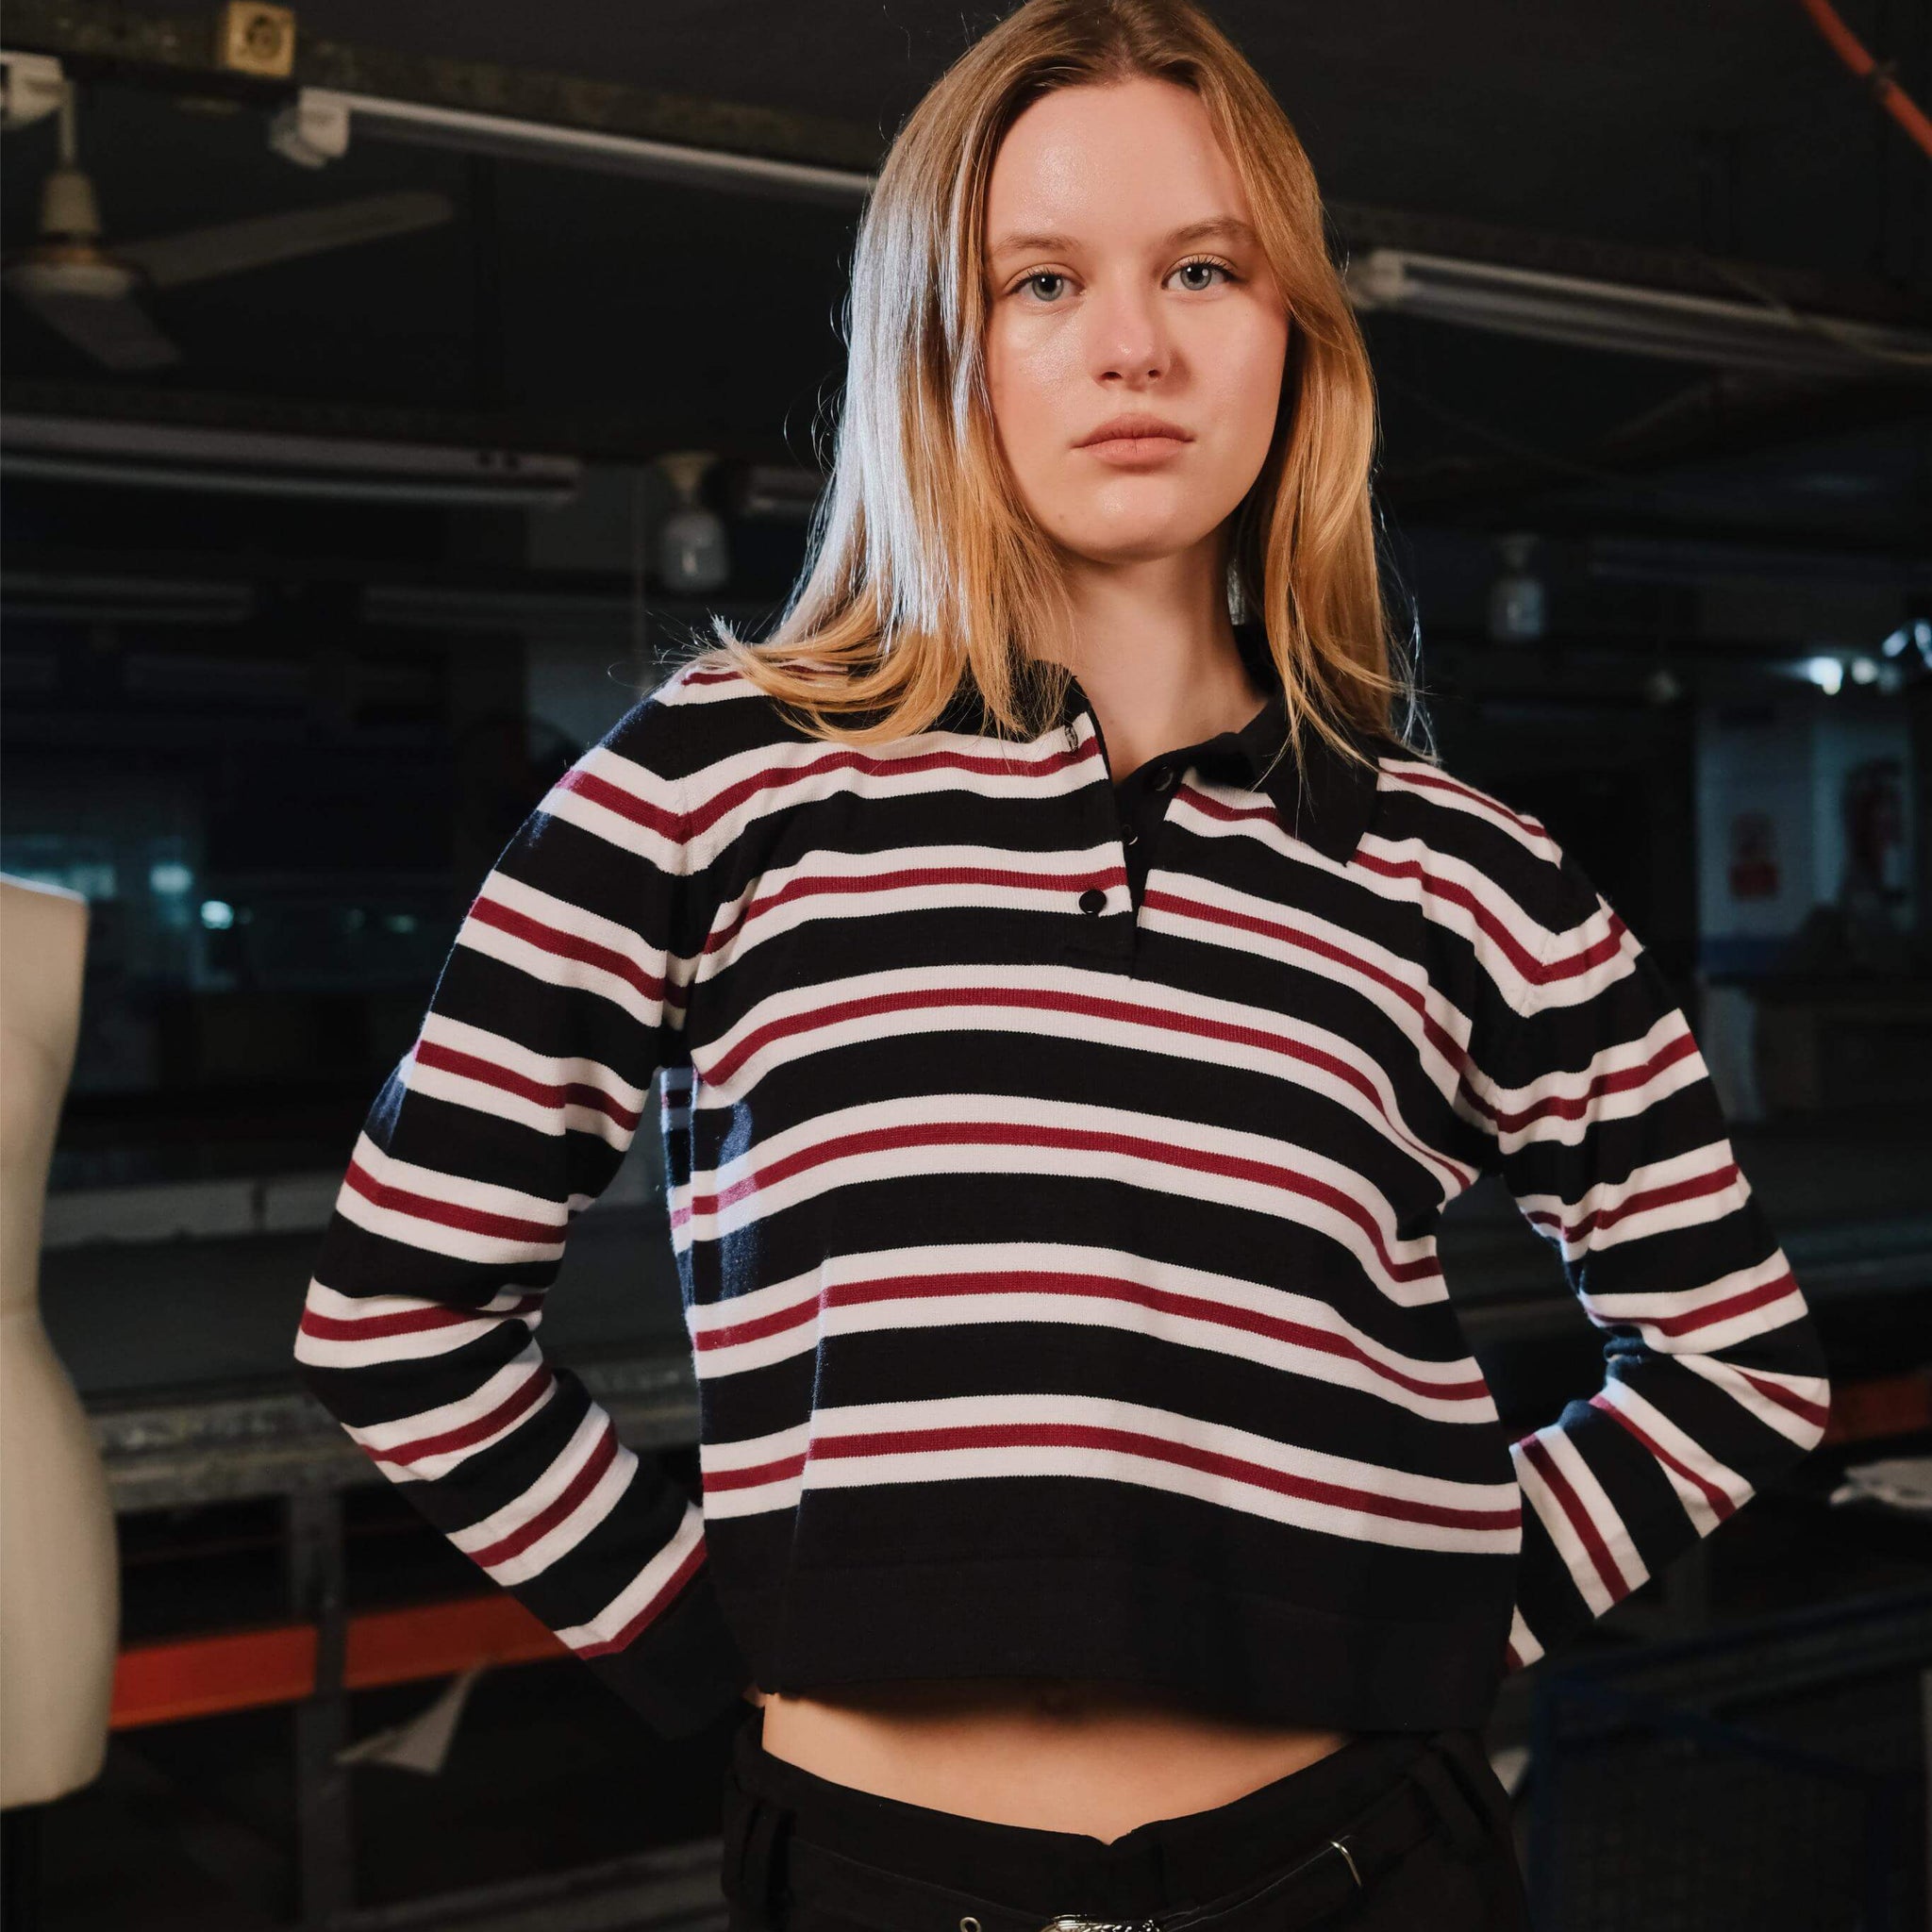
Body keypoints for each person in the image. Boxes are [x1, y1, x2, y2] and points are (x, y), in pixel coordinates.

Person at [294, 3, 1833, 1926]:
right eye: (1043, 281)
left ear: (1294, 332)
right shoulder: (713, 781)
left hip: (1365, 1865)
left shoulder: (1463, 870)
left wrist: (1444, 1613)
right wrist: (702, 1629)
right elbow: (397, 1315)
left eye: (1203, 269)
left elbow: (1739, 1358)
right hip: (884, 1872)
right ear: (939, 342)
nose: (1134, 348)